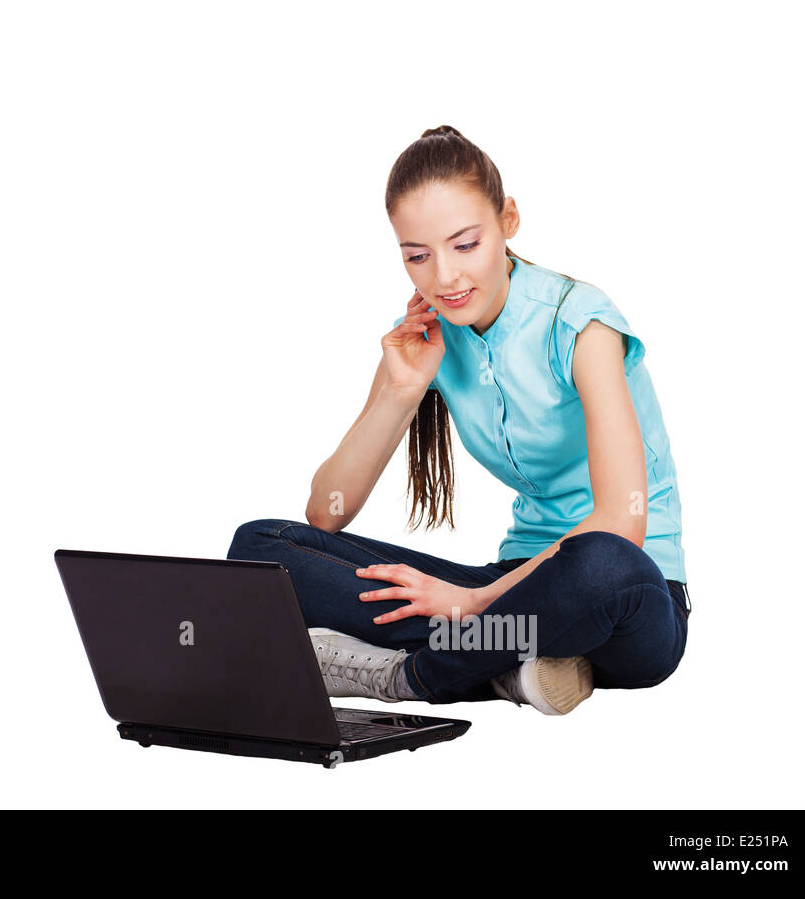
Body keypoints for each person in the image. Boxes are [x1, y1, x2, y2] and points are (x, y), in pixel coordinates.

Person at [226, 126, 689, 715]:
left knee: (602, 566)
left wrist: (471, 603)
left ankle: (415, 675)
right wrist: (401, 388)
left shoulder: (581, 323)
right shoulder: (429, 333)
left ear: (508, 221)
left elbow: (621, 527)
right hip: (512, 594)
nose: (444, 278)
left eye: (464, 244)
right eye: (418, 256)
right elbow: (328, 511)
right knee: (261, 548)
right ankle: (516, 666)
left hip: (630, 601)